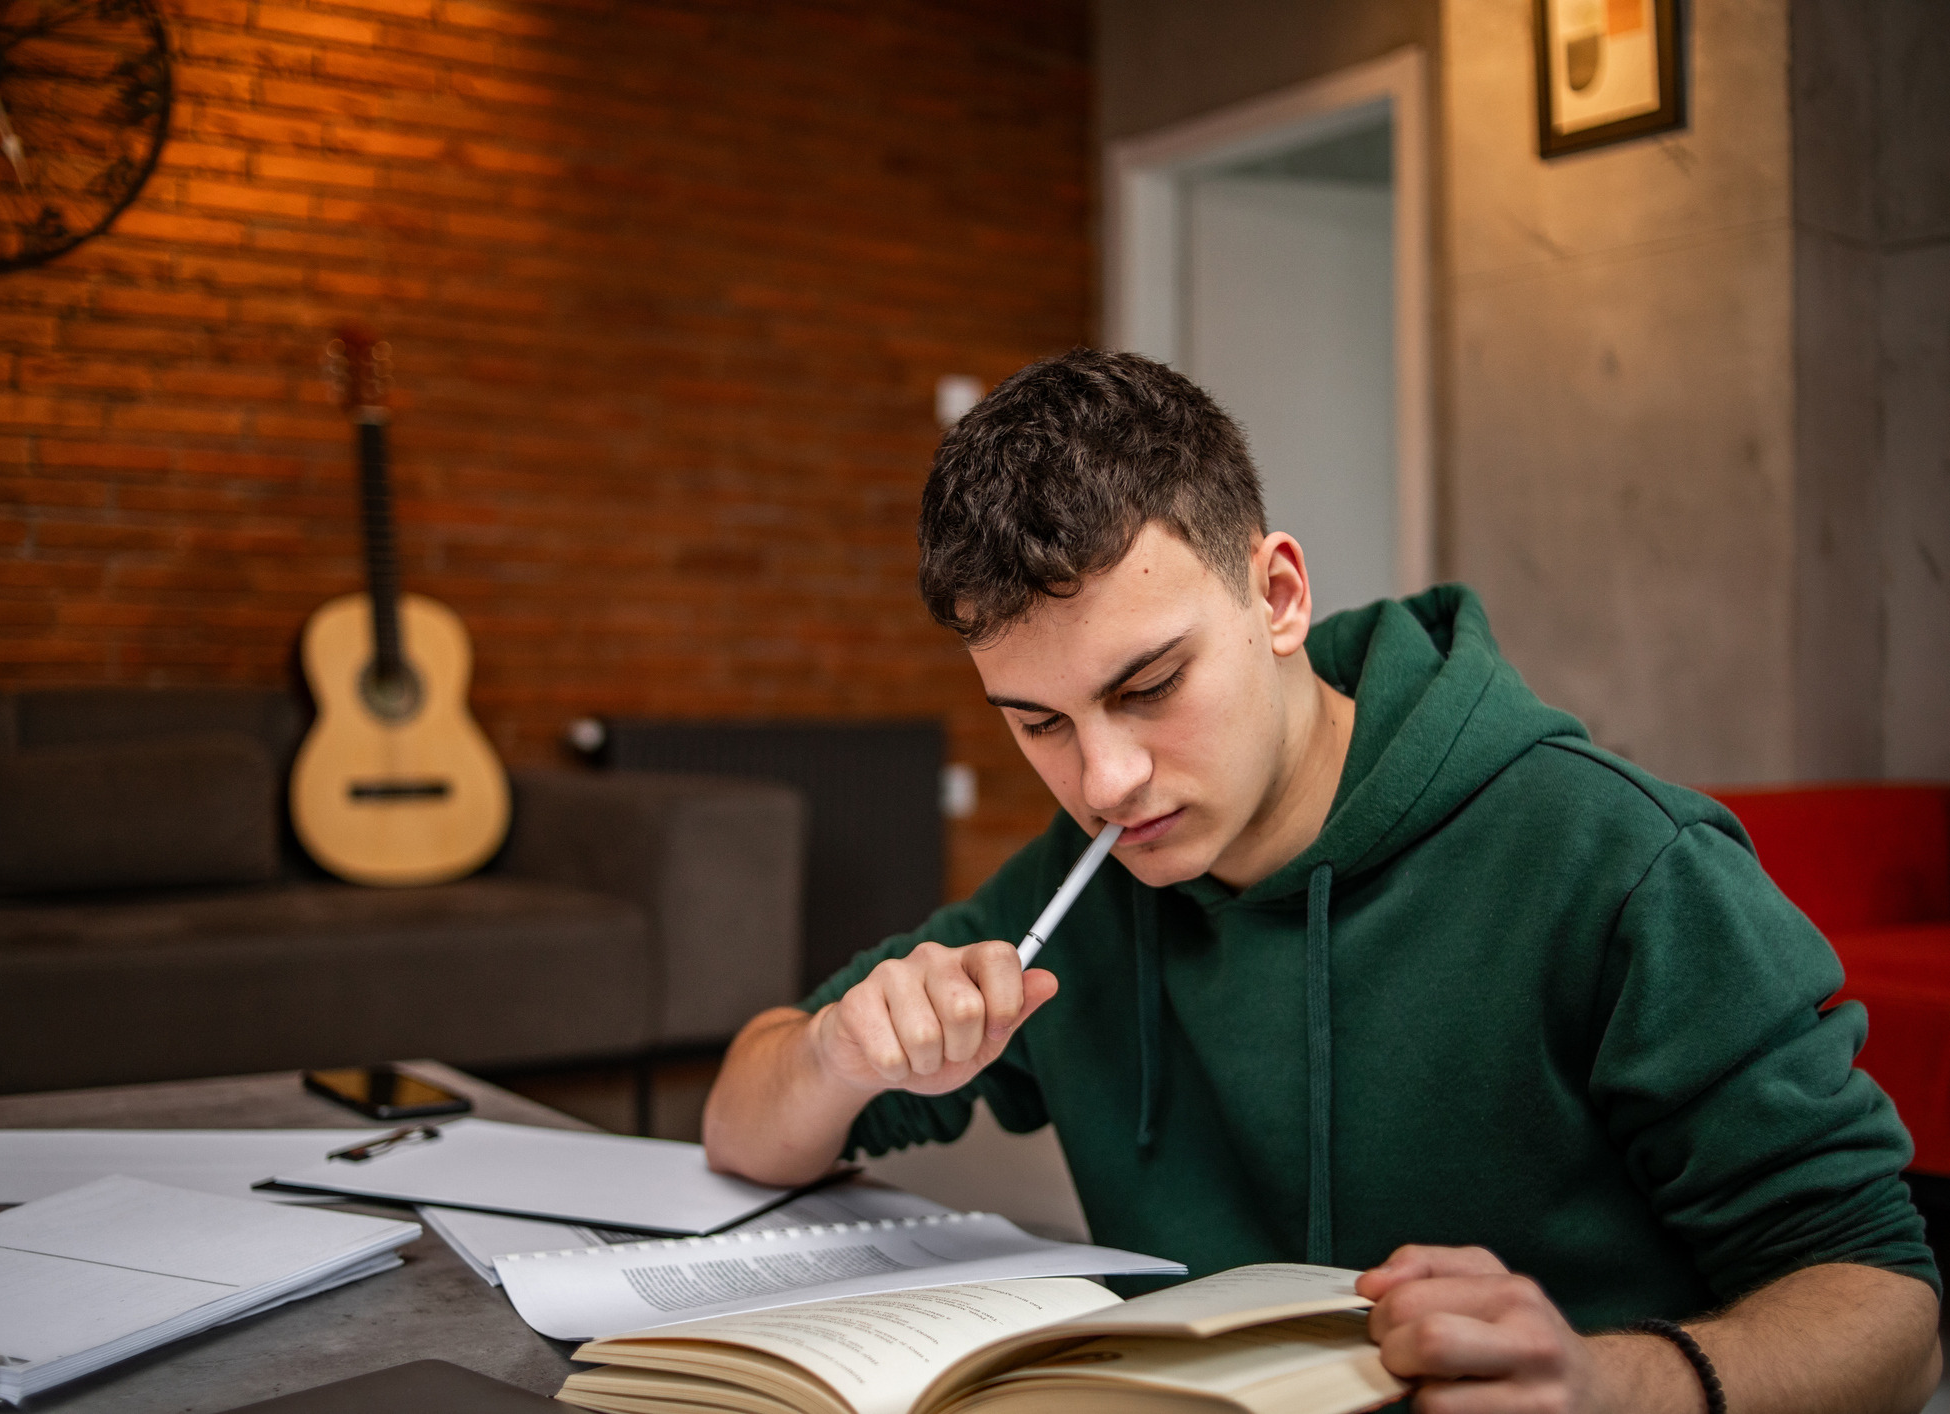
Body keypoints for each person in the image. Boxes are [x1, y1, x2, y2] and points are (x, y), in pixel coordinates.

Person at [701, 349, 1942, 1412]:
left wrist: (1614, 1383)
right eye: (1039, 722)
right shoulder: (1075, 894)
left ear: (1279, 594)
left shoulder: (1620, 863)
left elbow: (1891, 1309)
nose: (1106, 778)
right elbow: (742, 1121)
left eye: (1149, 686)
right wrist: (842, 1058)